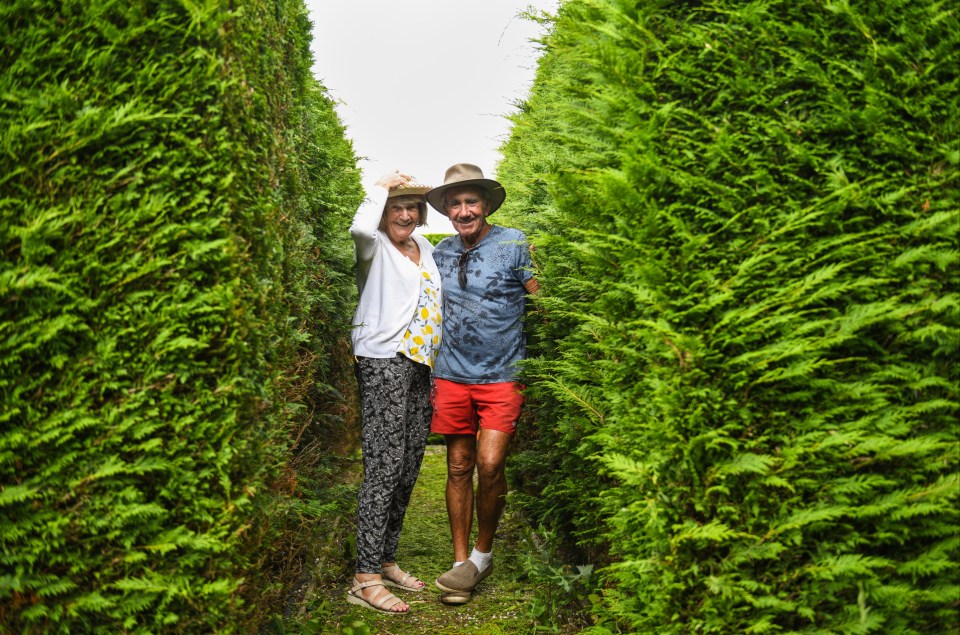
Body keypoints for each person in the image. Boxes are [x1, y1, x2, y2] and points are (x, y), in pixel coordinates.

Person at [426, 163, 540, 604]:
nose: (464, 210)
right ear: (447, 213)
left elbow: (539, 296)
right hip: (452, 375)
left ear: (486, 205)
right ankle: (461, 565)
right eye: (455, 204)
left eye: (471, 201)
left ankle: (483, 553)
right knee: (458, 466)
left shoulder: (513, 242)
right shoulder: (440, 253)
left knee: (490, 464)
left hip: (503, 375)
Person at [346, 170, 442, 614]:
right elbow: (360, 227)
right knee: (383, 466)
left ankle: (386, 559)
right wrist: (382, 185)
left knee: (408, 463)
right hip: (383, 360)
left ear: (421, 214)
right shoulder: (374, 246)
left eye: (411, 207)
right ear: (384, 212)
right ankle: (363, 577)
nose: (404, 214)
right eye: (395, 207)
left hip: (420, 364)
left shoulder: (425, 247)